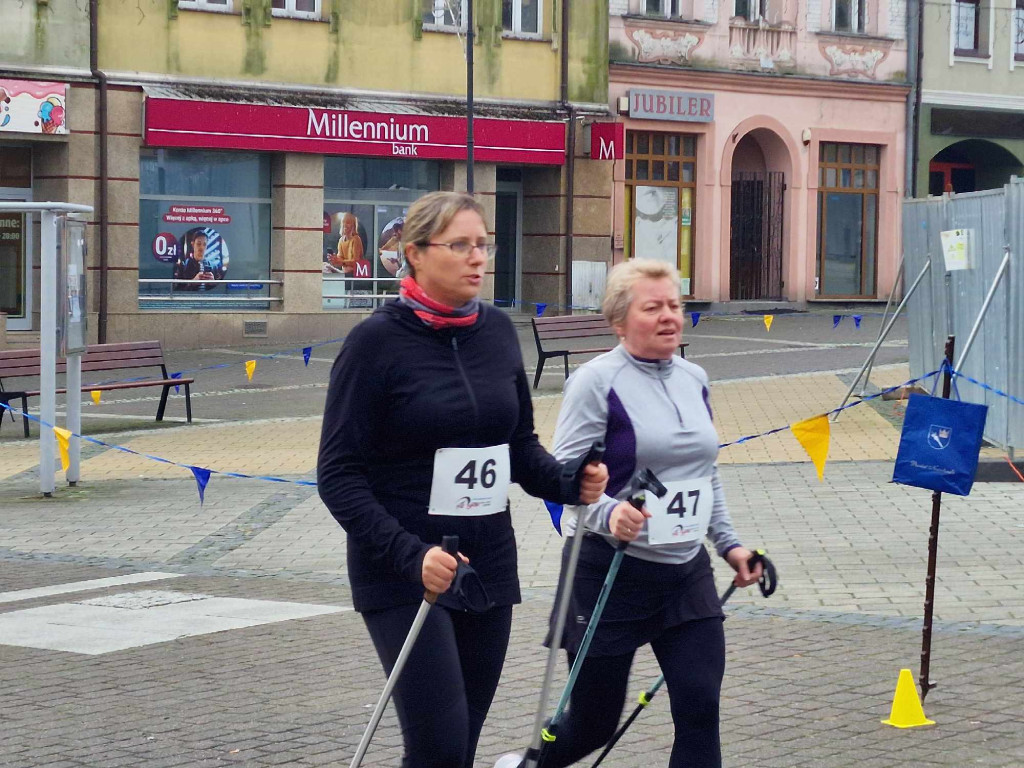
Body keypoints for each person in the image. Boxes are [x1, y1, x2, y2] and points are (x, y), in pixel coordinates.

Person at [317, 191, 609, 768]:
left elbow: (519, 447)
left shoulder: (496, 331)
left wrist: (569, 482)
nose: (478, 258)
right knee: (439, 747)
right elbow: (338, 474)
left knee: (461, 745)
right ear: (415, 253)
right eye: (460, 246)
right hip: (405, 569)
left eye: (484, 244)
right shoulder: (375, 343)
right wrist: (409, 554)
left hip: (486, 564)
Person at [497, 258, 763, 768]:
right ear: (619, 321)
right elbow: (564, 483)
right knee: (593, 724)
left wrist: (730, 545)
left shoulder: (694, 377)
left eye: (675, 305)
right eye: (653, 307)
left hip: (685, 574)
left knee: (700, 708)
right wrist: (610, 514)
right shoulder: (596, 382)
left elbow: (703, 474)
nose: (669, 317)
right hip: (609, 573)